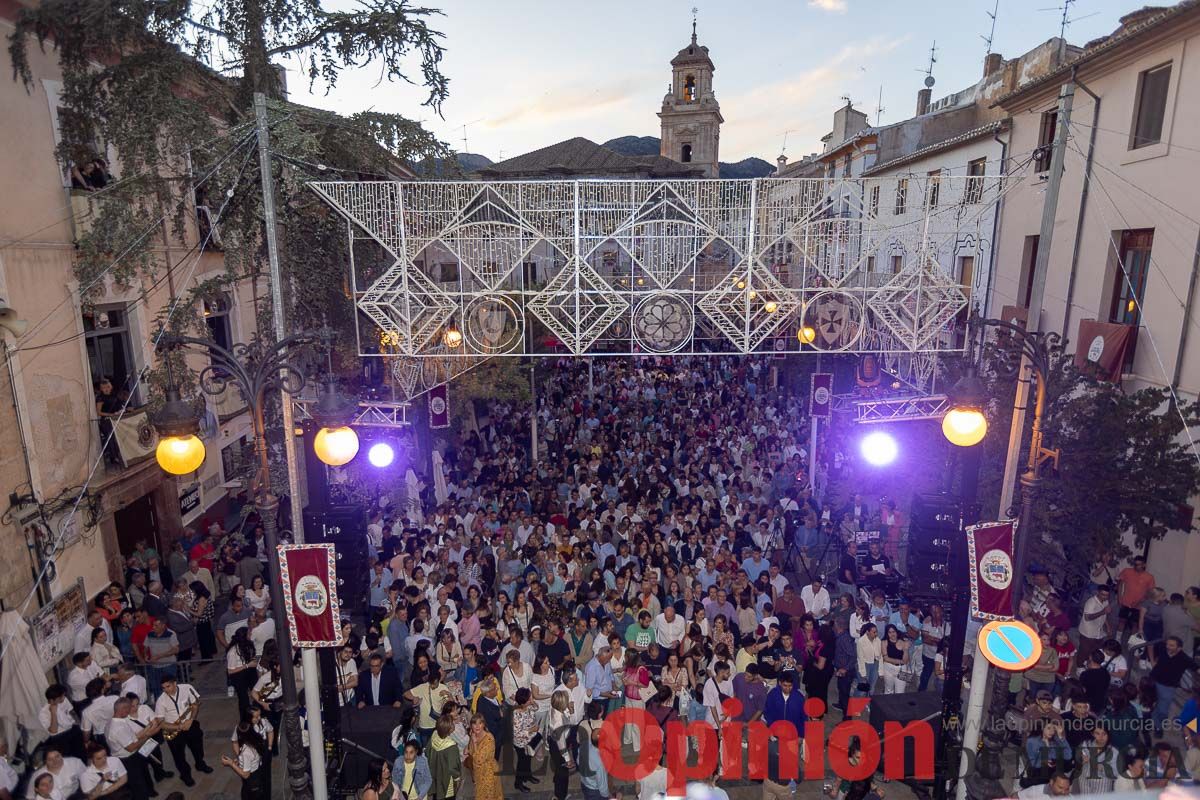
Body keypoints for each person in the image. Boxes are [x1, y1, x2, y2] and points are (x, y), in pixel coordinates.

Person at [153, 675, 211, 786]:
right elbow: (161, 723)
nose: (165, 690)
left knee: (198, 747)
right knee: (179, 756)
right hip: (173, 729)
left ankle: (200, 764)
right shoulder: (161, 700)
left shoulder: (187, 688)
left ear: (175, 683)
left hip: (190, 724)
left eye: (168, 686)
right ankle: (185, 775)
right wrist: (179, 727)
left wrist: (191, 720)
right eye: (163, 688)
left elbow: (194, 705)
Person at [1148, 635, 1191, 732]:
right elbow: (1150, 645)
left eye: (1171, 645)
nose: (1168, 646)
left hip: (1168, 687)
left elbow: (1196, 668)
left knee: (1163, 711)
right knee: (1150, 704)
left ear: (1179, 648)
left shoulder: (1184, 658)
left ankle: (1158, 727)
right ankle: (1151, 720)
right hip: (1153, 680)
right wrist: (1152, 660)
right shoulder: (1162, 647)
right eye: (1167, 644)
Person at [221, 722, 267, 800]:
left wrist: (231, 763)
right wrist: (240, 761)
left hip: (252, 783)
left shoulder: (247, 751)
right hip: (257, 776)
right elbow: (251, 761)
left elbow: (246, 775)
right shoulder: (254, 742)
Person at [465, 713, 502, 800]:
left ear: (484, 724)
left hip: (488, 771)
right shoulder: (473, 734)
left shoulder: (489, 739)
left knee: (488, 795)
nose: (477, 726)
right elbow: (471, 750)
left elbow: (478, 760)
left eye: (480, 723)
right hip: (478, 771)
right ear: (471, 725)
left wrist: (474, 743)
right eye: (474, 723)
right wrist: (469, 747)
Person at [510, 688, 540, 792]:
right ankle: (518, 783)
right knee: (521, 763)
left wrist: (533, 702)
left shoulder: (528, 706)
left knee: (528, 759)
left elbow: (536, 708)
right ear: (524, 701)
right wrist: (532, 729)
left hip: (530, 740)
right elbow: (517, 733)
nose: (532, 698)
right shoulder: (516, 714)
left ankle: (528, 776)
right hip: (521, 743)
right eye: (530, 697)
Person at [1116, 557, 1155, 637]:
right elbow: (1119, 584)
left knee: (1135, 624)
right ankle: (1117, 640)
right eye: (1135, 564)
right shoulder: (1127, 571)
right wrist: (1119, 598)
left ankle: (1132, 646)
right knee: (1122, 621)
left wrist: (1140, 601)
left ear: (1144, 565)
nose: (1136, 566)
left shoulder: (1149, 577)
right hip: (1125, 603)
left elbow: (1150, 593)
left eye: (1139, 565)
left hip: (1139, 606)